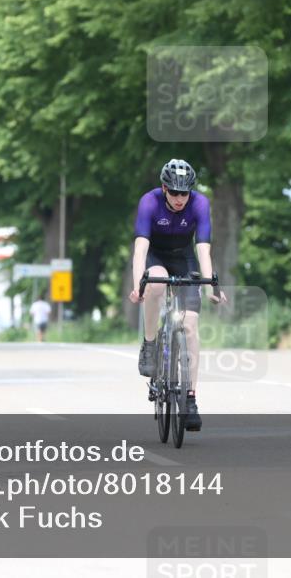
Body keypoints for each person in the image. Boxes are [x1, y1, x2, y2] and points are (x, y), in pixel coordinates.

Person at [128, 158, 226, 432]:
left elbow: (203, 249)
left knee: (191, 325)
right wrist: (139, 286)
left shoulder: (200, 204)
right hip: (155, 256)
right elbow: (140, 250)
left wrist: (210, 287)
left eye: (185, 193)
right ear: (164, 188)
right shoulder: (149, 202)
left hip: (184, 259)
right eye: (174, 192)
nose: (180, 198)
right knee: (156, 283)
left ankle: (191, 398)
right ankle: (149, 344)